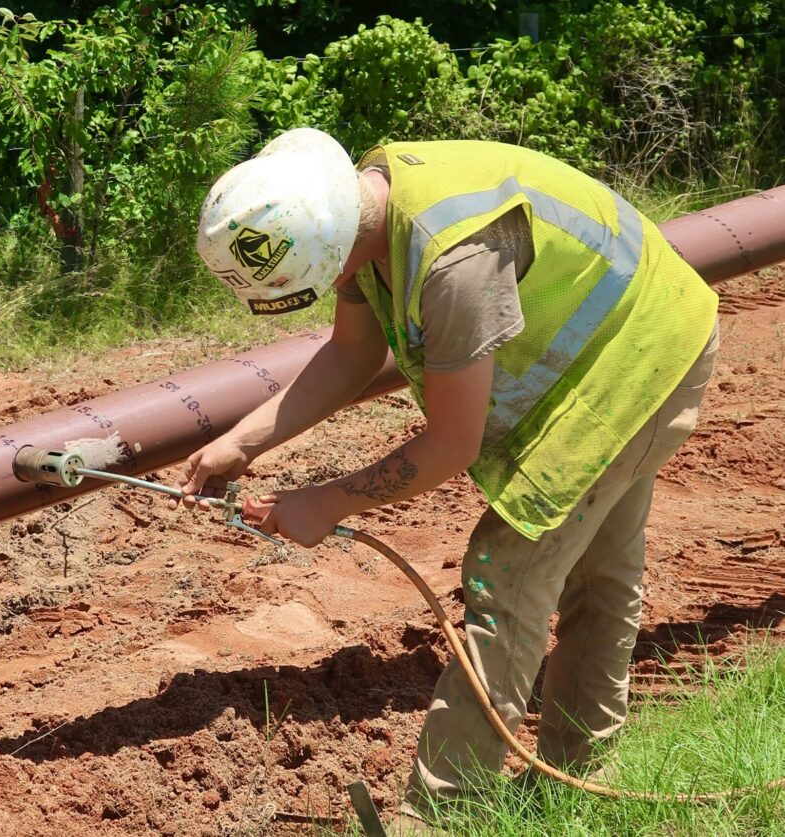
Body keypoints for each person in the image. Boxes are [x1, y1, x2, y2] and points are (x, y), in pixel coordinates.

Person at [179, 128, 719, 831]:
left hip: (636, 360)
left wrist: (329, 499)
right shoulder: (362, 208)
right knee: (594, 566)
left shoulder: (452, 261)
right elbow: (350, 354)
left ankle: (439, 814)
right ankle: (582, 776)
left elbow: (450, 444)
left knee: (508, 565)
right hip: (620, 339)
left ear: (331, 239)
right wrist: (240, 442)